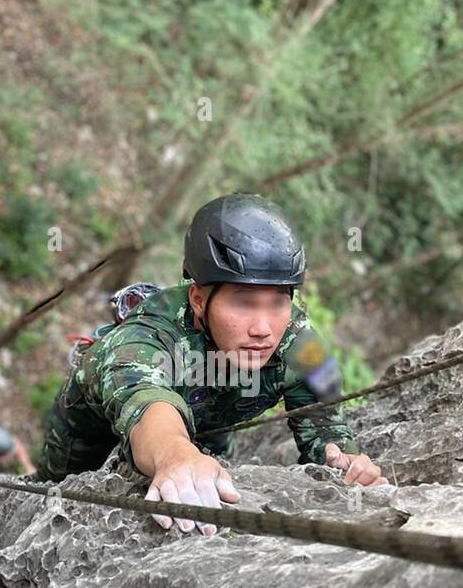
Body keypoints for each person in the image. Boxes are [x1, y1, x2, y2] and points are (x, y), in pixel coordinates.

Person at [33, 193, 386, 534]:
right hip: (92, 424)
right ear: (199, 300)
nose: (263, 328)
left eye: (277, 302)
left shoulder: (302, 346)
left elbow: (325, 426)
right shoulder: (145, 339)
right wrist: (174, 455)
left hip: (210, 421)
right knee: (60, 490)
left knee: (210, 474)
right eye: (244, 302)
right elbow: (144, 399)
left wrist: (345, 464)